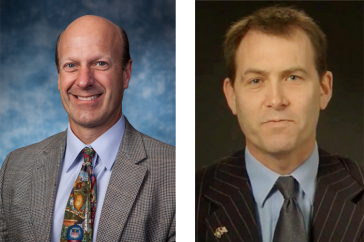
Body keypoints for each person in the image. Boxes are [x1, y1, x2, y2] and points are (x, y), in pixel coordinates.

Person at [0, 15, 175, 242]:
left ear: (126, 73)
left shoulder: (175, 173)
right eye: (71, 65)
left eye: (100, 63)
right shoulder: (15, 167)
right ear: (59, 76)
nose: (84, 81)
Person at [196, 6, 363, 242]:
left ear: (324, 89)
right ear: (231, 96)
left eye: (293, 77)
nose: (276, 100)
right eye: (256, 80)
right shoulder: (187, 197)